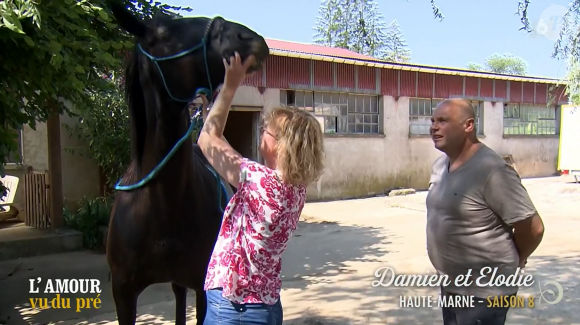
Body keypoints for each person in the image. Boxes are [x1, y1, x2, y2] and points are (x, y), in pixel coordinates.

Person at [197, 52, 325, 325]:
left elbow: (207, 140)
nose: (261, 133)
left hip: (233, 309)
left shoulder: (257, 180)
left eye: (266, 130)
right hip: (266, 308)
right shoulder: (297, 191)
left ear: (281, 145)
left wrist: (231, 85)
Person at [426, 99, 545, 325]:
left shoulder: (493, 171)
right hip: (451, 284)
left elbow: (533, 228)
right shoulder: (440, 165)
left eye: (443, 121)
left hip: (484, 293)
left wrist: (517, 258)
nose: (433, 127)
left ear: (468, 126)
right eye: (432, 121)